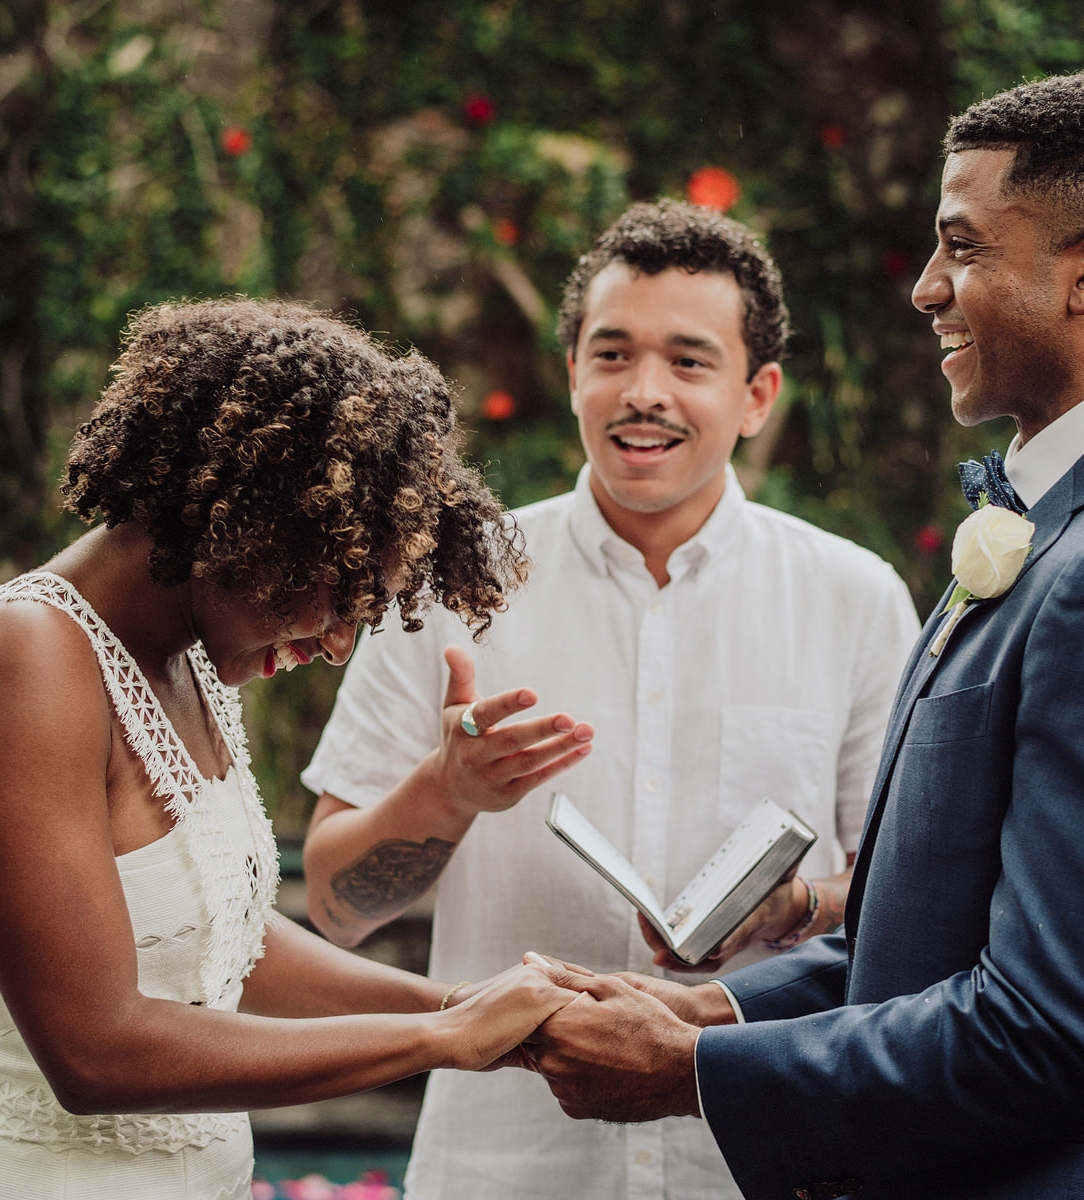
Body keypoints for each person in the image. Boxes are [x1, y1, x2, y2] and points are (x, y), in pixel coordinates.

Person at [523, 73, 1084, 1200]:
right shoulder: (1073, 522)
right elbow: (928, 941)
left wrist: (693, 1072)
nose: (925, 290)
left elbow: (1046, 1036)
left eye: (960, 246)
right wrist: (705, 1005)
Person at [299, 200, 920, 1199]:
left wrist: (796, 904)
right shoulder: (452, 585)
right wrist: (447, 793)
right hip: (504, 1169)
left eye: (687, 361)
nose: (643, 393)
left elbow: (918, 907)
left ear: (757, 393)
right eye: (613, 353)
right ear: (575, 371)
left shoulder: (856, 600)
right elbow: (334, 907)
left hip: (758, 1167)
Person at [0, 298, 576, 1200]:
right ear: (247, 519)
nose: (338, 642)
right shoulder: (25, 659)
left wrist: (459, 1002)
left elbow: (230, 943)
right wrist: (439, 1043)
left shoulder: (190, 666)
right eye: (337, 593)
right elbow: (95, 1049)